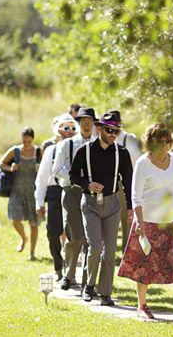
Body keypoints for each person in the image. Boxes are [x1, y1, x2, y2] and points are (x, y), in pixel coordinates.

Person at [118, 122, 173, 320]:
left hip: (172, 221)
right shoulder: (143, 163)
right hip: (149, 222)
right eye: (159, 140)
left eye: (167, 140)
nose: (164, 144)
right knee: (144, 264)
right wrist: (140, 222)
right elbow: (136, 196)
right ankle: (142, 306)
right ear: (150, 142)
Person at [70, 112, 133, 306]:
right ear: (100, 129)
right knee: (95, 247)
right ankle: (88, 286)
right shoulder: (85, 150)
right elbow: (73, 176)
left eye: (116, 131)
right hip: (90, 204)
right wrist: (87, 184)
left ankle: (105, 292)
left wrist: (130, 207)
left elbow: (129, 181)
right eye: (109, 130)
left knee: (109, 251)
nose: (113, 134)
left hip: (113, 204)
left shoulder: (121, 153)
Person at [53, 106, 99, 290]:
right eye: (83, 121)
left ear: (94, 124)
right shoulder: (67, 144)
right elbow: (56, 171)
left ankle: (89, 280)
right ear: (78, 123)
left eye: (90, 122)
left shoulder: (100, 145)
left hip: (92, 194)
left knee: (91, 238)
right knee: (75, 235)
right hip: (72, 192)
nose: (87, 125)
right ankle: (69, 275)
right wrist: (77, 176)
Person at [34, 113, 77, 280]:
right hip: (54, 192)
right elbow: (42, 177)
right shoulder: (51, 150)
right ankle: (58, 267)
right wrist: (39, 201)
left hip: (73, 191)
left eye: (73, 128)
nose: (70, 131)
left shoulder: (80, 148)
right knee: (53, 232)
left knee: (74, 233)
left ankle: (70, 270)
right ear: (59, 130)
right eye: (66, 128)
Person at [0, 127, 42, 261]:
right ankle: (24, 238)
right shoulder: (15, 151)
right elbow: (1, 163)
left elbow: (48, 167)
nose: (26, 145)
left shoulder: (39, 151)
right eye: (24, 141)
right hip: (17, 190)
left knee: (34, 223)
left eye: (29, 142)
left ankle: (32, 253)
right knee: (14, 218)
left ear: (32, 140)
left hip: (33, 192)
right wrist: (10, 167)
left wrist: (39, 167)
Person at [107, 109, 141, 251]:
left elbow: (134, 158)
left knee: (127, 217)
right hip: (109, 182)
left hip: (124, 182)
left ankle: (126, 250)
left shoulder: (129, 138)